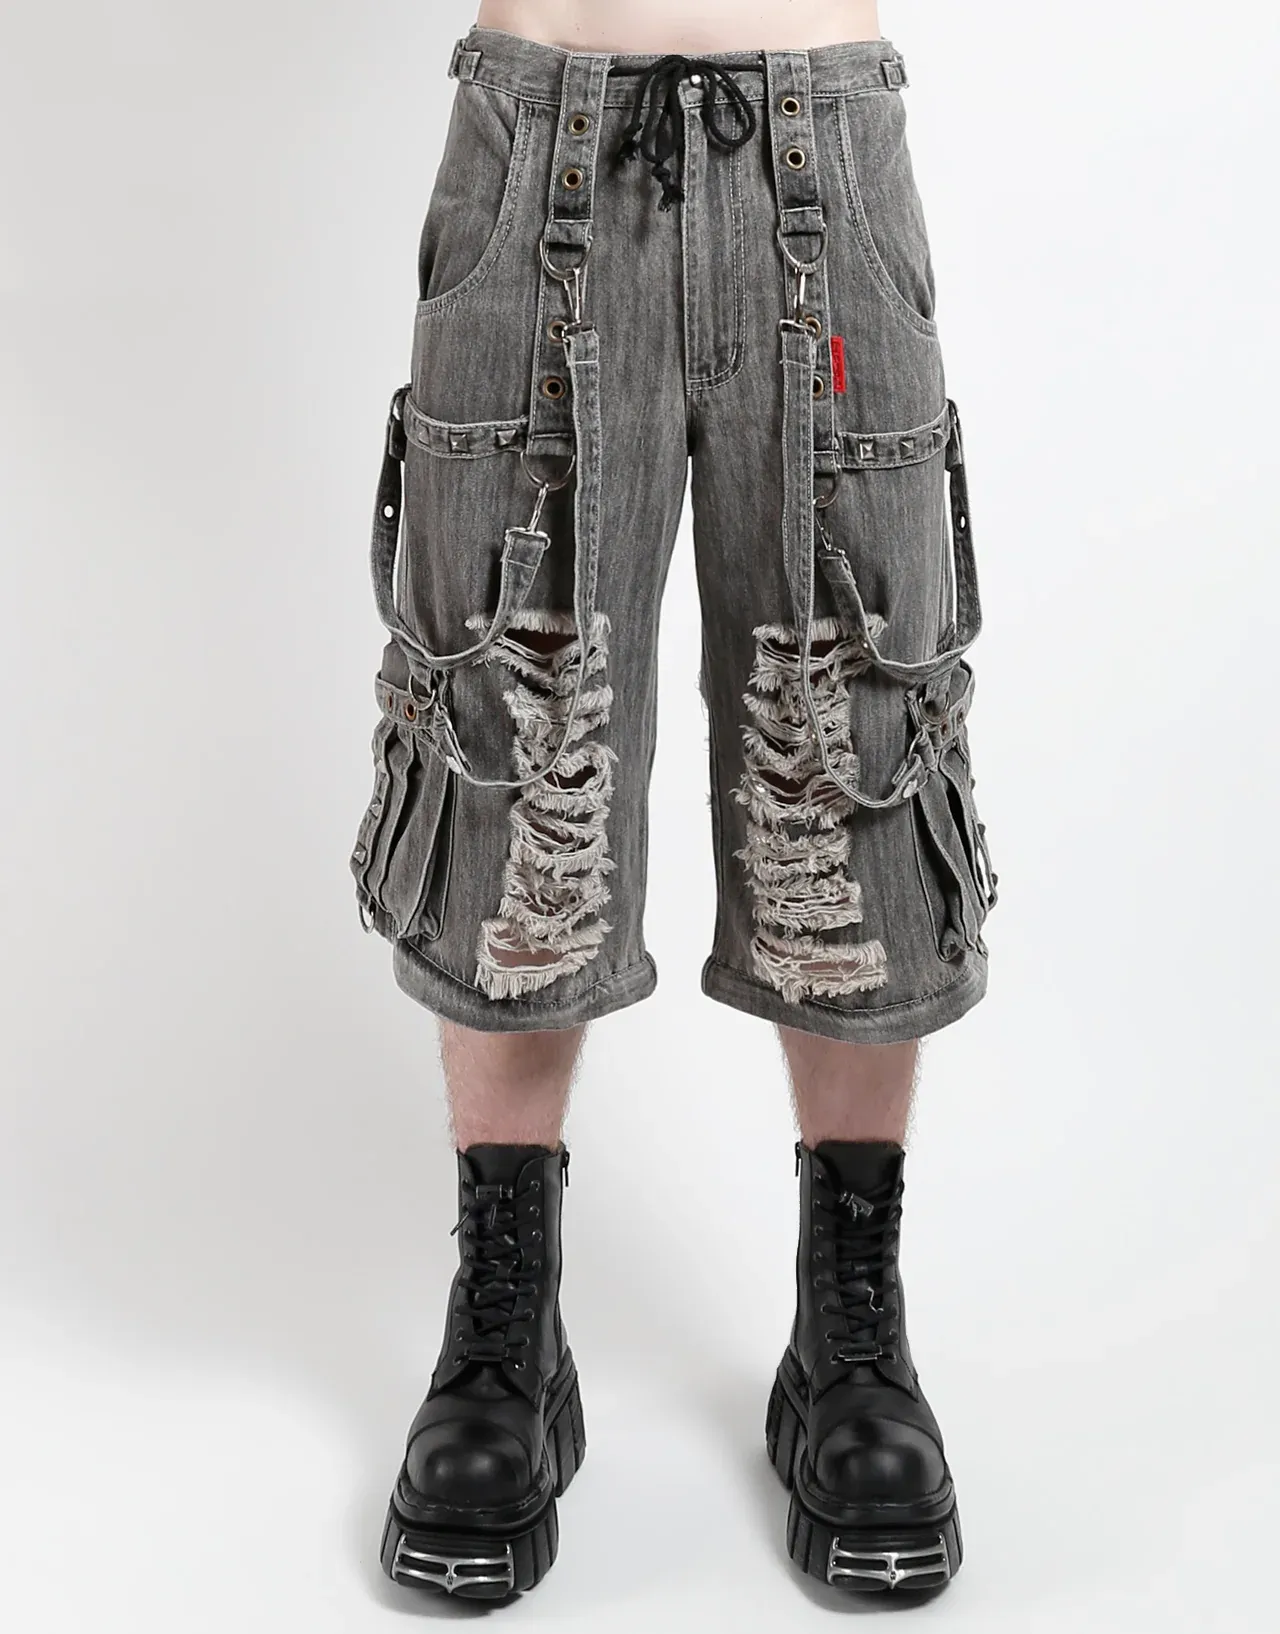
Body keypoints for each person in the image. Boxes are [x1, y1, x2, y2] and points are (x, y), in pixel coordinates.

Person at [351, 0, 997, 1602]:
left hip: (818, 145)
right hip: (542, 141)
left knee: (851, 725)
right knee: (514, 728)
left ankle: (851, 1320)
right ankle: (506, 1325)